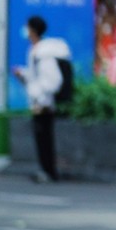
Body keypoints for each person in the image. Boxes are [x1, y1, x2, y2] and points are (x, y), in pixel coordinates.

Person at [12, 15, 71, 184]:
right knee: (43, 139)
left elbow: (51, 80)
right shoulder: (35, 50)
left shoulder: (43, 53)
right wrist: (22, 74)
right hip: (40, 101)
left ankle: (49, 171)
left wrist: (40, 98)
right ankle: (47, 170)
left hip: (44, 103)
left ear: (33, 29)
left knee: (44, 139)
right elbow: (34, 76)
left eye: (27, 27)